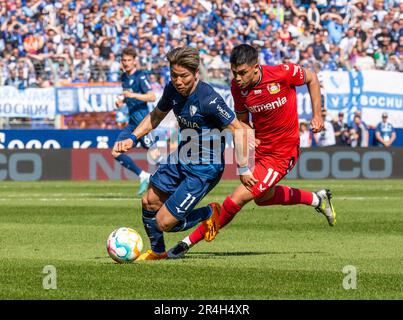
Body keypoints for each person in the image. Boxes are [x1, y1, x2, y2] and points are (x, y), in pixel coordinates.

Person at [167, 44, 337, 259]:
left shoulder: (283, 73)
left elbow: (312, 78)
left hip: (282, 154)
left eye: (242, 73)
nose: (237, 78)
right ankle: (317, 199)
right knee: (263, 198)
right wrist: (247, 133)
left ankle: (186, 243)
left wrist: (317, 114)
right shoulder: (237, 88)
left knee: (236, 199)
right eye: (234, 72)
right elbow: (242, 121)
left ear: (256, 68)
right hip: (262, 150)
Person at [114, 46, 253, 261]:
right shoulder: (172, 89)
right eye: (174, 75)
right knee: (149, 201)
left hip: (205, 168)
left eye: (184, 76)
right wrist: (132, 138)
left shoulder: (209, 99)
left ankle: (209, 213)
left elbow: (237, 129)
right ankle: (158, 252)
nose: (178, 81)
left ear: (196, 73)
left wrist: (243, 168)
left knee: (165, 222)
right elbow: (156, 116)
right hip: (181, 157)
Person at [112, 47, 160, 195]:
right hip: (132, 123)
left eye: (129, 60)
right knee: (115, 151)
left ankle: (173, 184)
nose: (126, 63)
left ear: (134, 61)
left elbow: (152, 96)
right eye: (124, 60)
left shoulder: (141, 76)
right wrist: (123, 101)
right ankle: (143, 175)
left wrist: (132, 95)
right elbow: (129, 96)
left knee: (156, 156)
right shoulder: (124, 77)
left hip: (143, 123)